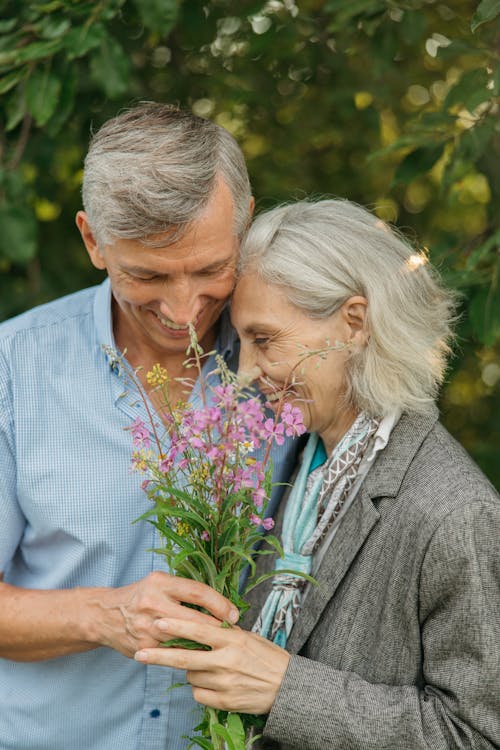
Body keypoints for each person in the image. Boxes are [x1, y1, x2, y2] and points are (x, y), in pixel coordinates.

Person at [135, 199, 500, 749]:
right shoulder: (290, 463)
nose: (248, 372)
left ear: (353, 323)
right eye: (242, 343)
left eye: (264, 339)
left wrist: (286, 690)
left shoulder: (453, 510)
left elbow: (476, 735)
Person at [0, 103, 297, 750]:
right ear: (91, 241)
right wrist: (103, 615)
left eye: (212, 268)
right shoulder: (12, 370)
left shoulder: (302, 367)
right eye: (148, 275)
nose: (184, 307)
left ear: (245, 222)